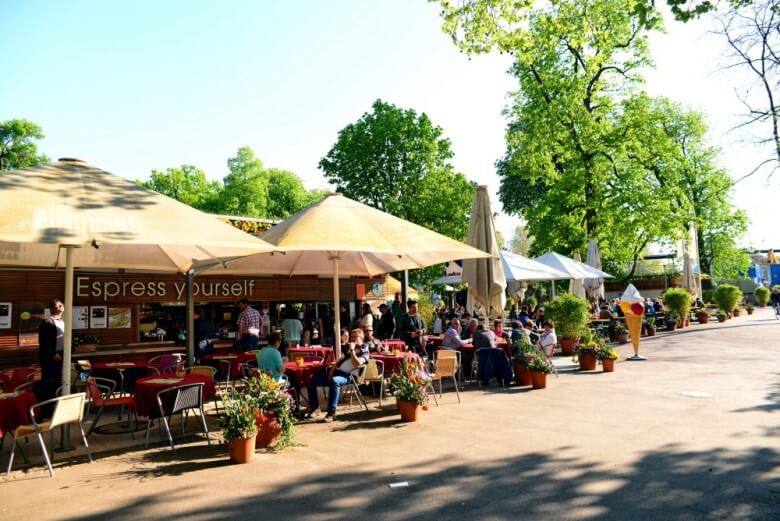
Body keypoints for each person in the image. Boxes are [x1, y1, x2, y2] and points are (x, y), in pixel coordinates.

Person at [305, 329, 370, 422]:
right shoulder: (349, 348)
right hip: (337, 372)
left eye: (355, 337)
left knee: (334, 381)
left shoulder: (364, 349)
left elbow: (357, 363)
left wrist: (352, 350)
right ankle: (315, 408)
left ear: (361, 338)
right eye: (351, 337)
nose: (352, 339)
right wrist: (331, 371)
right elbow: (339, 360)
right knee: (311, 379)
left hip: (349, 375)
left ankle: (331, 413)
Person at [38, 299, 64, 381]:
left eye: (61, 305)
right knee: (49, 379)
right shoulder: (47, 322)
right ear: (52, 309)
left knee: (58, 378)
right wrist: (53, 354)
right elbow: (43, 340)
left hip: (60, 354)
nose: (60, 306)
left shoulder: (62, 322)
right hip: (50, 357)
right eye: (58, 305)